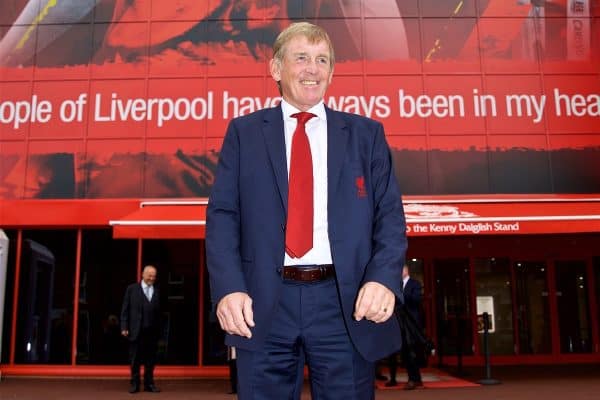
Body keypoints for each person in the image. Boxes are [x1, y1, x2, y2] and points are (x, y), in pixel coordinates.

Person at [206, 21, 407, 399]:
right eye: (301, 58)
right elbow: (222, 217)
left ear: (331, 73)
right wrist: (229, 288)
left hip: (345, 306)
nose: (312, 68)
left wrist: (382, 279)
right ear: (276, 69)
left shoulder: (366, 136)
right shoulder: (243, 134)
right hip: (263, 303)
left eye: (322, 60)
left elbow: (390, 218)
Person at [121, 265, 162, 394]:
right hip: (136, 330)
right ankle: (135, 384)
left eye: (154, 276)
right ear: (142, 274)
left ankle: (149, 384)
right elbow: (125, 310)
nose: (152, 278)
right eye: (150, 275)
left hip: (152, 332)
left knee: (150, 359)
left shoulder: (157, 290)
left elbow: (159, 312)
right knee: (135, 359)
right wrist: (124, 327)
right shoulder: (132, 289)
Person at [387, 265, 424, 390]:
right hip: (398, 321)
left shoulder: (415, 284)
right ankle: (394, 379)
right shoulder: (396, 284)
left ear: (406, 271)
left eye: (400, 269)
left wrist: (401, 294)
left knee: (410, 351)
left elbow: (416, 300)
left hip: (411, 323)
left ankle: (414, 379)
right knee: (399, 350)